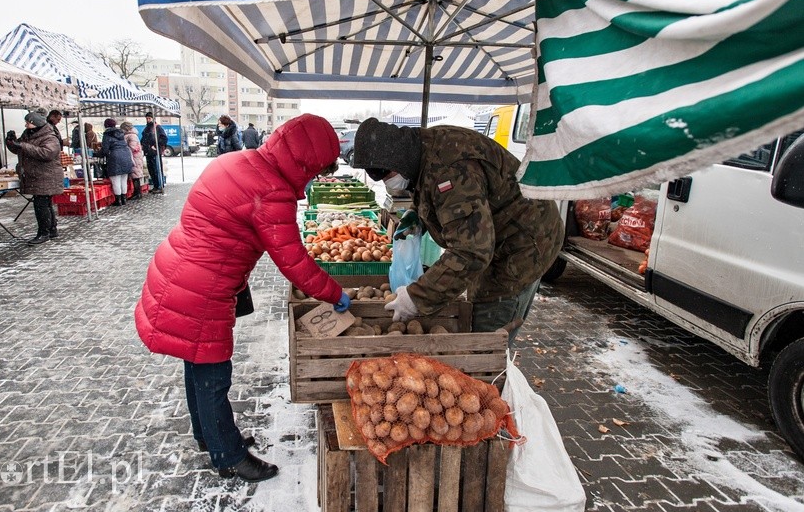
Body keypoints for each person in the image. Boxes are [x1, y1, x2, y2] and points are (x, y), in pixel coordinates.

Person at [135, 113, 351, 483]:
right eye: (315, 171)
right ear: (303, 162)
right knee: (213, 374)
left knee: (196, 363)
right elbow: (293, 261)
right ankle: (229, 457)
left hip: (180, 267)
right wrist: (333, 293)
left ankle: (210, 437)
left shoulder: (237, 160)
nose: (314, 178)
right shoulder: (272, 192)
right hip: (202, 287)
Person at [352, 118, 564, 347]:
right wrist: (418, 212)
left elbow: (471, 252)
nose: (388, 183)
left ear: (399, 157)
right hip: (496, 234)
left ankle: (490, 374)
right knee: (475, 300)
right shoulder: (422, 148)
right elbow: (432, 188)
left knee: (487, 331)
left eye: (388, 175)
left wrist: (417, 297)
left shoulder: (450, 169)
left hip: (522, 245)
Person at [5, 111, 64, 245]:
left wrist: (23, 145)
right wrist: (11, 142)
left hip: (46, 175)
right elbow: (20, 149)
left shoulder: (49, 136)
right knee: (44, 203)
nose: (26, 124)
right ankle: (52, 230)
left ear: (35, 123)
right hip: (37, 174)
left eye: (28, 122)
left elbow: (47, 153)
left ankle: (44, 233)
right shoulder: (28, 134)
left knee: (41, 204)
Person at [95, 119, 134, 206]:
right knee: (123, 179)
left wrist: (97, 154)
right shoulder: (121, 133)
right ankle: (124, 199)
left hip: (115, 157)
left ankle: (118, 200)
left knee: (115, 180)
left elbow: (105, 150)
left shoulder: (107, 134)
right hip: (126, 155)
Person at [141, 112, 167, 193]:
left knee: (157, 169)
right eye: (147, 118)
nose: (148, 120)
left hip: (155, 152)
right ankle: (156, 186)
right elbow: (144, 138)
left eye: (149, 118)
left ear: (153, 119)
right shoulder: (146, 128)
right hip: (148, 152)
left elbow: (164, 139)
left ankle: (160, 185)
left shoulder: (158, 127)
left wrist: (156, 146)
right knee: (151, 170)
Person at [121, 121, 144, 200]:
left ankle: (137, 193)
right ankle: (137, 192)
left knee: (135, 176)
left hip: (134, 158)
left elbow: (132, 147)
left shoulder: (131, 136)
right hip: (136, 157)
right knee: (135, 176)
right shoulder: (132, 135)